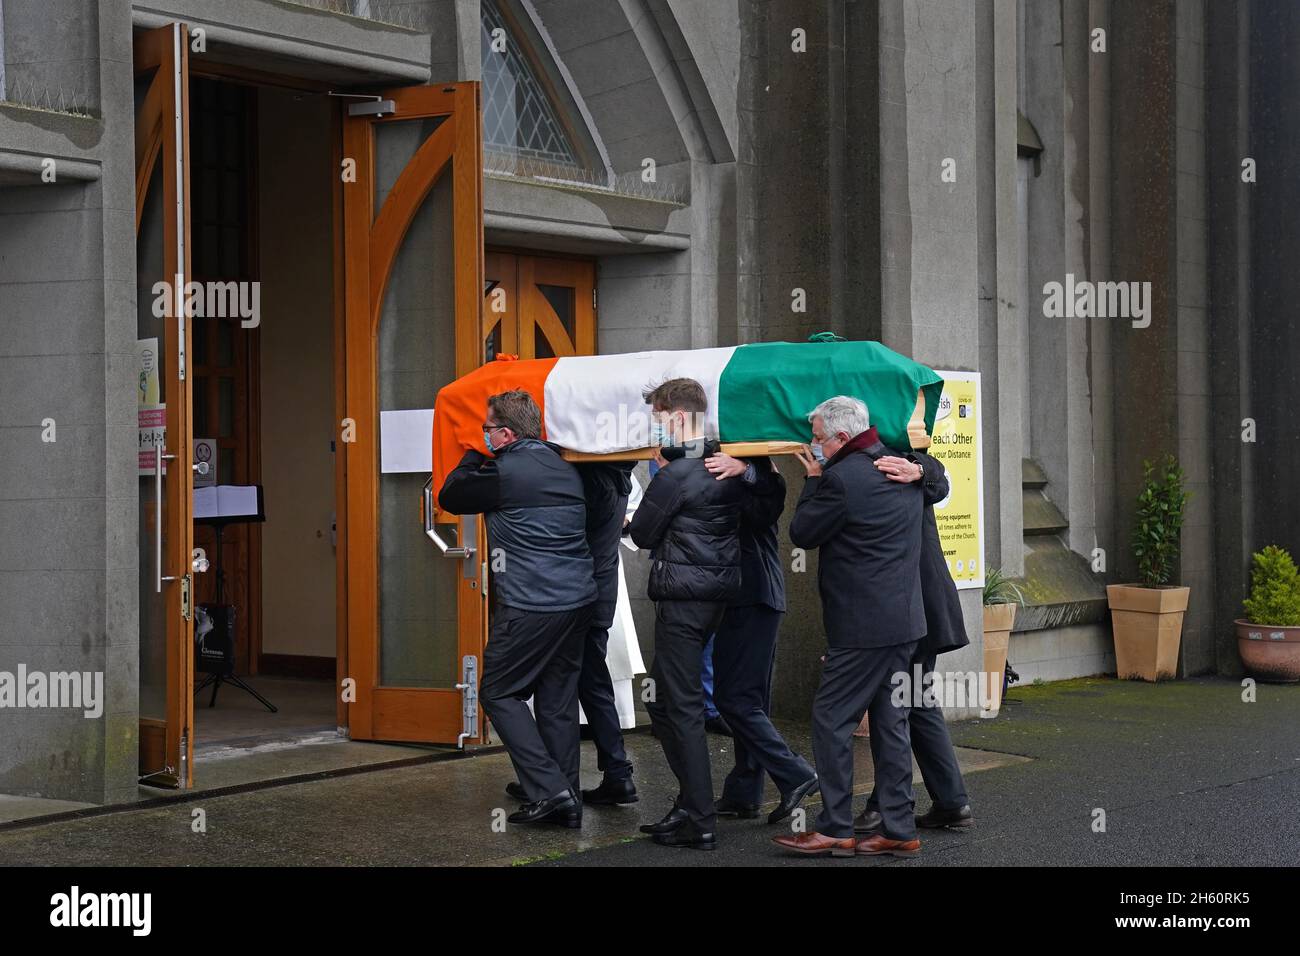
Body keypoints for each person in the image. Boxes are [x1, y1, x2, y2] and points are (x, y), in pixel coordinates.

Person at [774, 395, 926, 859]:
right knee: (891, 724)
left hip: (862, 627)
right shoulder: (900, 466)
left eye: (818, 438)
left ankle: (835, 827)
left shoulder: (841, 479)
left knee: (830, 720)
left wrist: (813, 481)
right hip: (904, 620)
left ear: (842, 437)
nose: (813, 445)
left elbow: (802, 533)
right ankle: (899, 827)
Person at [438, 389, 595, 829]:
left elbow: (451, 494)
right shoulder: (565, 465)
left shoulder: (503, 473)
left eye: (487, 430)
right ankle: (567, 800)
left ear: (505, 434)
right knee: (557, 700)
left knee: (498, 692)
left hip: (532, 603)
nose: (483, 436)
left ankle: (550, 789)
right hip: (578, 600)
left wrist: (471, 452)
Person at [627, 377, 743, 851]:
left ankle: (700, 817)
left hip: (682, 600)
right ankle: (689, 804)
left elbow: (643, 535)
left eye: (658, 419)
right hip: (717, 596)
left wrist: (656, 484)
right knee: (664, 700)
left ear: (676, 417)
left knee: (680, 706)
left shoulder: (675, 474)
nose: (656, 429)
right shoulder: (726, 465)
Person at [855, 448, 973, 833]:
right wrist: (922, 468)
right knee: (915, 700)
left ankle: (885, 806)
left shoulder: (892, 459)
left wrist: (921, 468)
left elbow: (936, 474)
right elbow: (936, 476)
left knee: (896, 704)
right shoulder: (903, 459)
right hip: (922, 602)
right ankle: (951, 801)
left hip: (908, 606)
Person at [703, 451, 819, 823]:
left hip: (753, 599)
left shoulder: (761, 476)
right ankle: (744, 792)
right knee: (749, 700)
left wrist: (748, 470)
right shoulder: (741, 474)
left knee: (733, 699)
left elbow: (768, 500)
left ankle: (796, 774)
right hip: (751, 598)